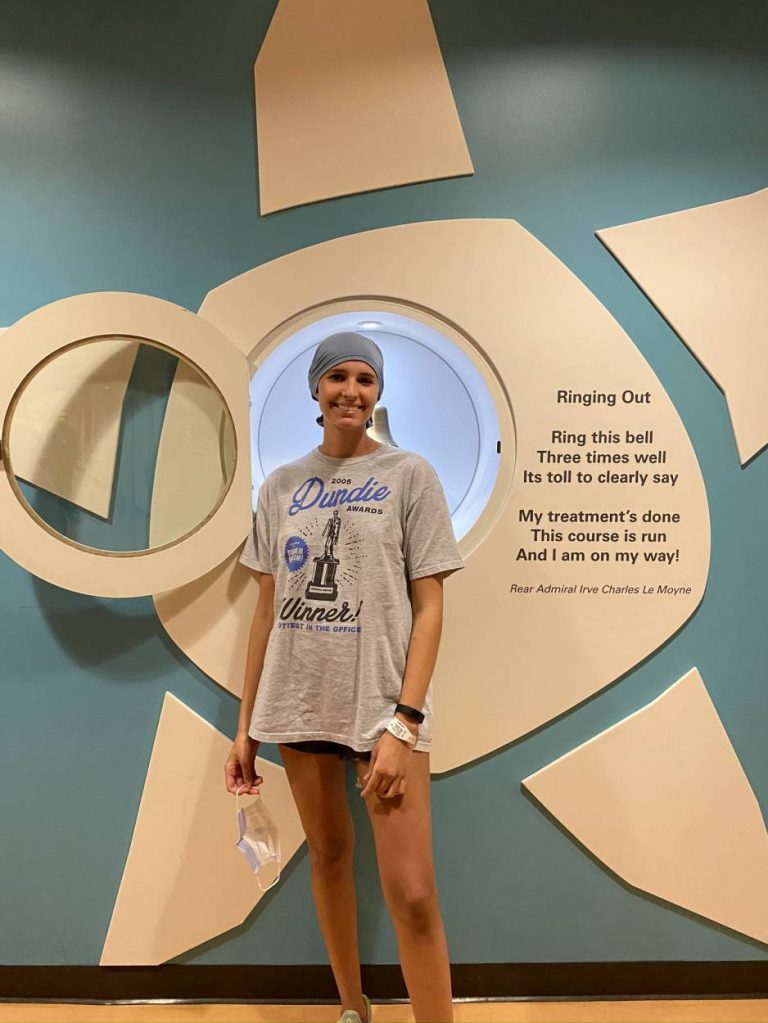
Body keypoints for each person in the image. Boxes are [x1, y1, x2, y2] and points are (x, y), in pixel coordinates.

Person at [225, 331, 464, 1023]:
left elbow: (430, 607)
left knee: (413, 893)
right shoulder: (280, 486)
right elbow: (266, 613)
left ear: (378, 391)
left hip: (383, 708)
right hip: (297, 699)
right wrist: (244, 728)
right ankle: (352, 1006)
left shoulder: (410, 475)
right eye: (337, 377)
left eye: (365, 378)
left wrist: (405, 721)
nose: (350, 391)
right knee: (329, 857)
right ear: (316, 388)